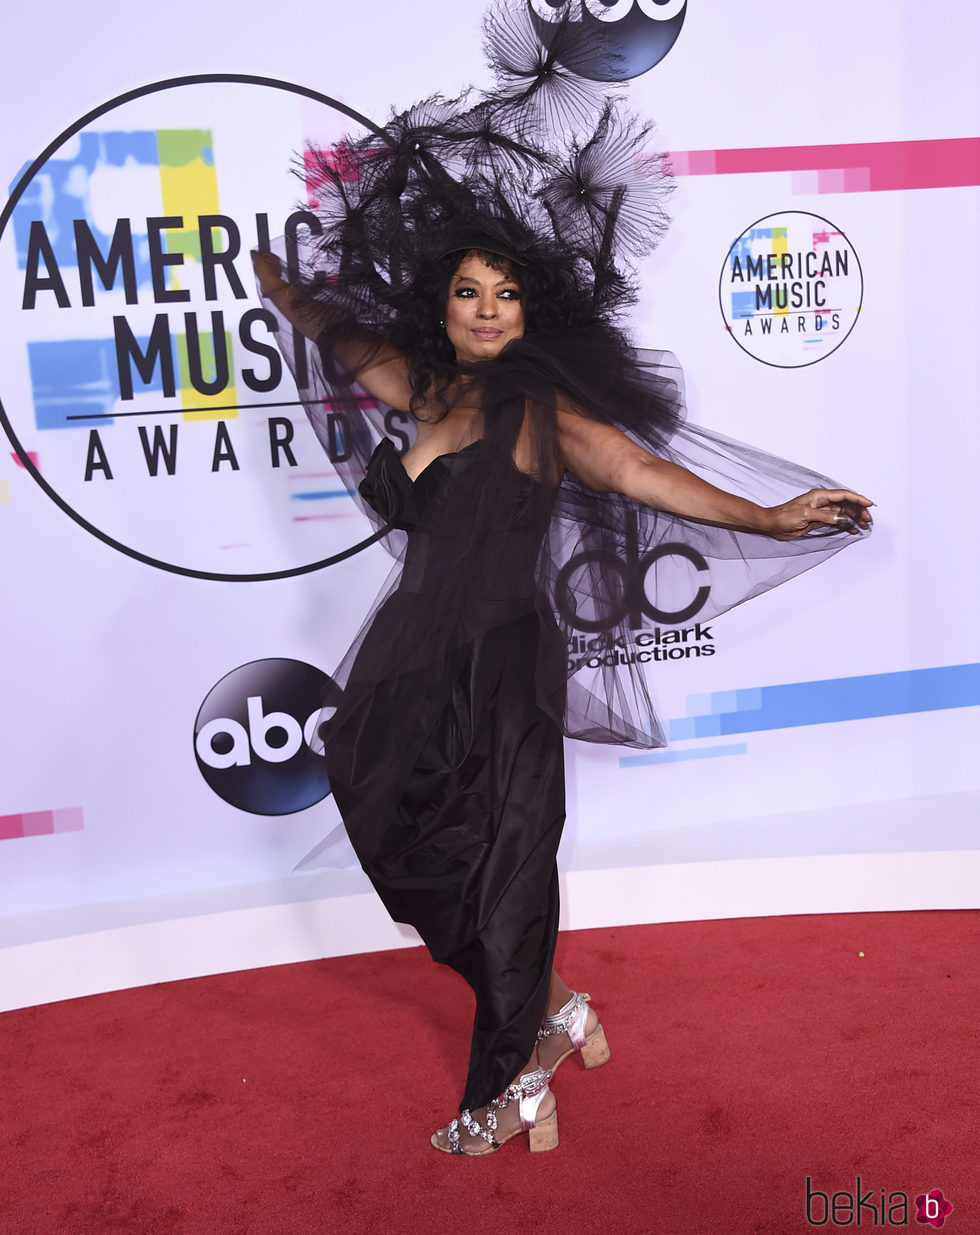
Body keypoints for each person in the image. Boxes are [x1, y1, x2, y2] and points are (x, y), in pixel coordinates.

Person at [252, 2, 872, 1156]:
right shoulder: (417, 385)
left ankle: (504, 1073)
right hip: (404, 659)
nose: (486, 310)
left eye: (505, 293)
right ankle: (546, 1006)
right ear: (440, 302)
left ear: (529, 306)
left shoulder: (543, 410)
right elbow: (337, 338)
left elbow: (645, 472)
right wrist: (284, 292)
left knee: (508, 866)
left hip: (499, 658)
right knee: (395, 834)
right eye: (467, 293)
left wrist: (769, 513)